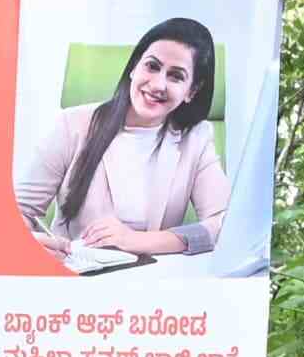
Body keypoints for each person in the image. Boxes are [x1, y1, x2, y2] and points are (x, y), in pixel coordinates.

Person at [14, 17, 238, 270]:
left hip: (151, 282)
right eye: (152, 66)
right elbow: (17, 211)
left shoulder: (196, 138)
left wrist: (136, 240)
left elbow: (224, 224)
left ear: (192, 91)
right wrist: (32, 247)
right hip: (75, 276)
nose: (158, 84)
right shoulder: (72, 124)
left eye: (176, 76)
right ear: (133, 67)